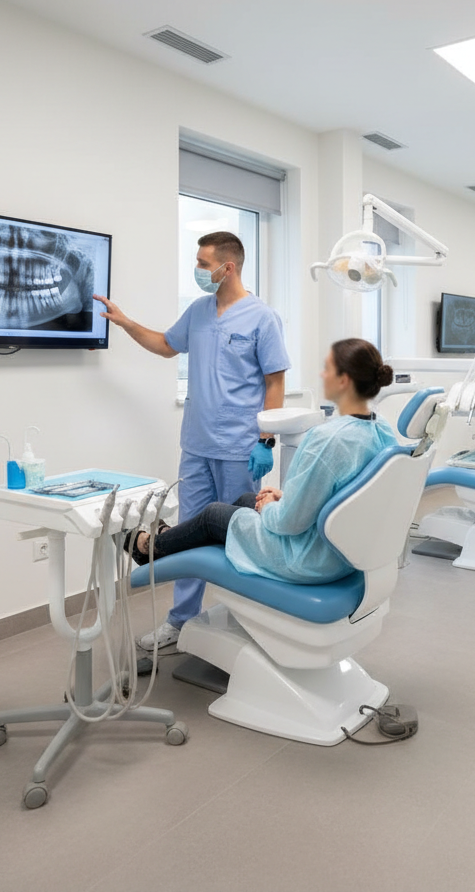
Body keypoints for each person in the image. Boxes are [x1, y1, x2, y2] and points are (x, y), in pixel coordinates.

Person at [94, 230, 290, 653]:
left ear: (227, 267)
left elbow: (275, 381)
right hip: (197, 443)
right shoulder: (199, 311)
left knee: (239, 536)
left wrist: (266, 441)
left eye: (203, 264)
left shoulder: (262, 318)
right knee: (188, 533)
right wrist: (126, 322)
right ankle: (181, 620)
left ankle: (245, 620)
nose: (198, 271)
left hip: (240, 446)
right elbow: (166, 345)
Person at [127, 339, 396, 585]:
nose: (321, 375)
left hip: (308, 558)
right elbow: (339, 494)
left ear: (343, 381)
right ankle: (168, 539)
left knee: (212, 516)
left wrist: (270, 508)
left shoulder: (326, 439)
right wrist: (283, 496)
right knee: (247, 498)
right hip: (342, 550)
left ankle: (148, 548)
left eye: (327, 369)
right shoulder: (381, 431)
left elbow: (290, 523)